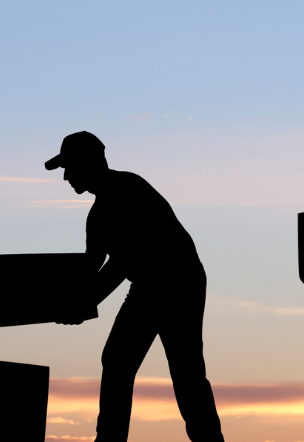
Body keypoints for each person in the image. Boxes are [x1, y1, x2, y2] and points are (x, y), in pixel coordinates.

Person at [46, 131, 224, 442]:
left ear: (90, 161)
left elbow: (121, 263)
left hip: (178, 283)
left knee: (184, 370)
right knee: (118, 360)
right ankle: (111, 439)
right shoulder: (98, 214)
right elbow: (92, 266)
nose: (65, 177)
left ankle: (207, 440)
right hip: (148, 286)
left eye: (69, 167)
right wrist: (67, 302)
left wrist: (83, 303)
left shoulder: (128, 188)